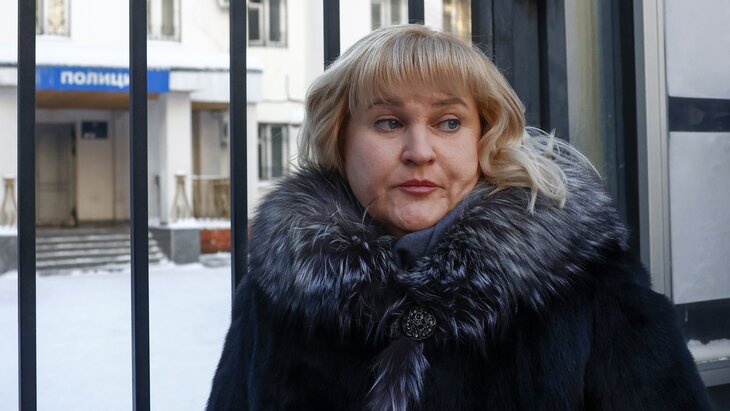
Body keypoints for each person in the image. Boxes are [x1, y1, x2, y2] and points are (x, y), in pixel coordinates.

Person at [207, 25, 711, 410]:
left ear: (483, 137)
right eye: (388, 122)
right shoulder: (280, 291)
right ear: (339, 138)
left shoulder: (582, 278)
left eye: (449, 122)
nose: (419, 151)